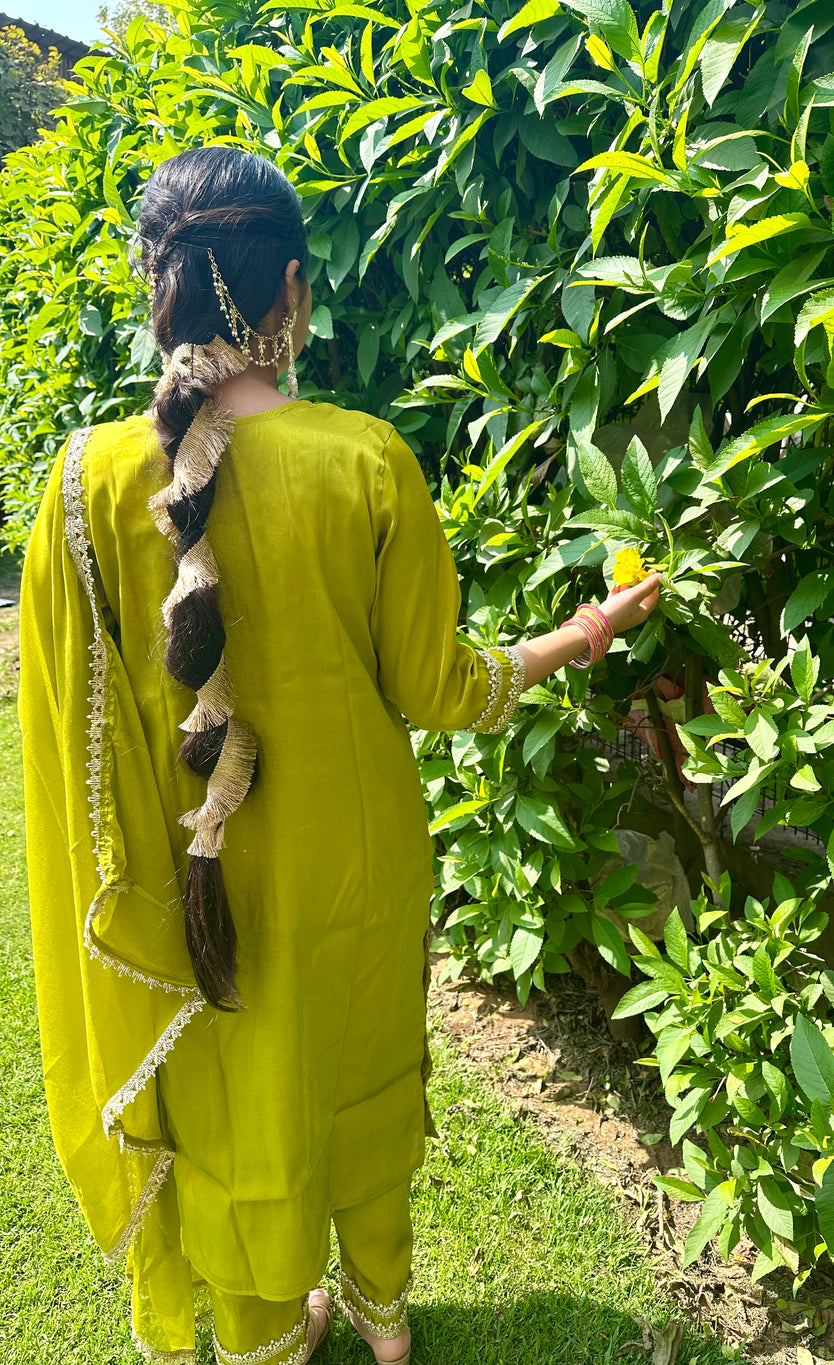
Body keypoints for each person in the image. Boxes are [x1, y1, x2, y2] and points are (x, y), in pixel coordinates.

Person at [17, 144, 662, 1365]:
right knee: (357, 1073)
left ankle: (265, 1334)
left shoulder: (79, 484)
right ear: (292, 291)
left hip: (182, 889)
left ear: (156, 284)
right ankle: (379, 1313)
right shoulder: (366, 458)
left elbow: (67, 734)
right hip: (356, 867)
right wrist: (579, 633)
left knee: (233, 1094)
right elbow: (441, 688)